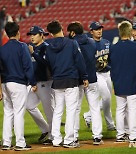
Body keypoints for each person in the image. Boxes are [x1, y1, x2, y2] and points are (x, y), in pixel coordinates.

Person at [46, 20, 88, 148]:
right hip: (71, 79)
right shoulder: (71, 43)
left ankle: (56, 139)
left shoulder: (48, 47)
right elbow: (79, 61)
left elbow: (48, 64)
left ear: (50, 33)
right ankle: (69, 140)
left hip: (57, 80)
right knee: (71, 110)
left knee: (58, 110)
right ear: (61, 28)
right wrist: (85, 76)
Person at [110, 20, 136, 142]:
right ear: (129, 31)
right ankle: (133, 135)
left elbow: (111, 66)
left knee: (120, 110)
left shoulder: (113, 48)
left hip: (118, 83)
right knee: (132, 110)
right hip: (133, 82)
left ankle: (120, 135)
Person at [0, 21, 37, 151]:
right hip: (18, 84)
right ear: (18, 32)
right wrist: (32, 82)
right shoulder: (22, 46)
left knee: (8, 112)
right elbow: (28, 66)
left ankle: (6, 142)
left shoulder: (2, 49)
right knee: (18, 113)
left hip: (5, 84)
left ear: (6, 33)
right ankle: (20, 143)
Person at [67, 21, 103, 145]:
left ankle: (75, 136)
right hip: (92, 78)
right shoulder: (92, 42)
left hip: (78, 80)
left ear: (72, 32)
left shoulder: (72, 44)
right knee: (95, 108)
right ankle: (97, 136)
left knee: (76, 109)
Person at [83, 21, 115, 131]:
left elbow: (111, 58)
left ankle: (89, 115)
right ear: (91, 31)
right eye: (97, 29)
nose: (99, 30)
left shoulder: (106, 42)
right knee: (106, 97)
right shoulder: (89, 44)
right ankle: (110, 124)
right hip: (97, 74)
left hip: (107, 73)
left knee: (108, 99)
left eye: (100, 28)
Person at [26, 26, 54, 144]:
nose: (32, 36)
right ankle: (46, 129)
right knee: (29, 105)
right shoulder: (33, 48)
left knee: (49, 111)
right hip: (36, 83)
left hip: (46, 82)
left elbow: (46, 64)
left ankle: (54, 136)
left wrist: (33, 54)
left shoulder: (46, 47)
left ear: (42, 35)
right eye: (31, 34)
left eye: (35, 34)